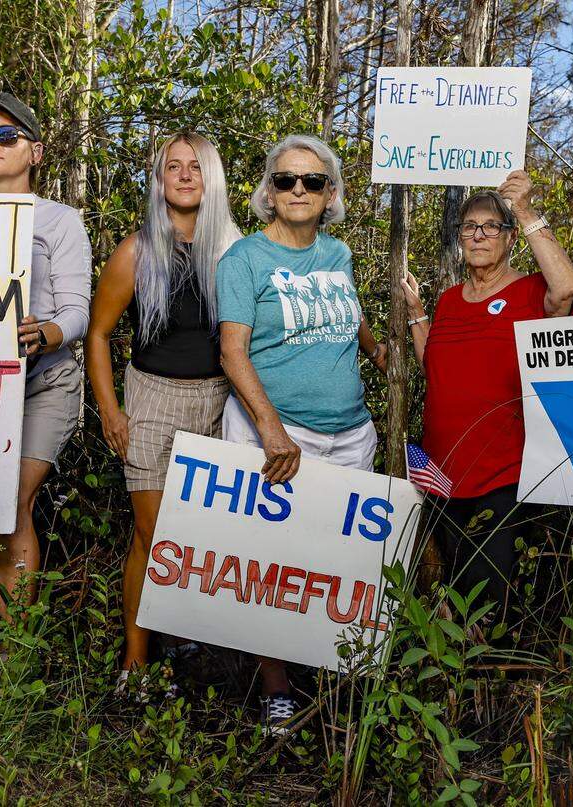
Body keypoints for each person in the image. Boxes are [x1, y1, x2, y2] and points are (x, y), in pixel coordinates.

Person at [217, 134, 387, 735]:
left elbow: (348, 312)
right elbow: (232, 350)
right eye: (286, 180)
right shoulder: (244, 260)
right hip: (279, 435)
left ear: (330, 194)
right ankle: (277, 689)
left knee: (340, 561)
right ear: (269, 190)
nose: (297, 190)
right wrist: (270, 429)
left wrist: (379, 350)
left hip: (351, 432)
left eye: (311, 182)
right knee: (273, 564)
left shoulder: (338, 255)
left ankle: (335, 676)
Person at [86, 133, 241, 691]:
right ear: (158, 179)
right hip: (152, 399)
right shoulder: (136, 251)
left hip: (221, 405)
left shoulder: (234, 251)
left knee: (201, 536)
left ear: (212, 178)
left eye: (194, 166)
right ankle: (136, 662)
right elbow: (99, 335)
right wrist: (111, 411)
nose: (183, 175)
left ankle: (186, 645)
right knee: (151, 535)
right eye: (171, 167)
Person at [400, 172, 573, 626]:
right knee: (450, 593)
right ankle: (456, 692)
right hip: (441, 472)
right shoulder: (449, 301)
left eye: (490, 226)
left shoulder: (529, 291)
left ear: (509, 237)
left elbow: (567, 289)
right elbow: (435, 366)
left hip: (502, 473)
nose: (478, 235)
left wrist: (524, 208)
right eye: (468, 227)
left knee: (490, 604)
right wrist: (418, 313)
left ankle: (491, 688)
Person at [0, 92, 92, 622]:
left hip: (45, 384)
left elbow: (78, 312)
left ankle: (14, 658)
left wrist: (48, 333)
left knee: (9, 502)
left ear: (35, 153)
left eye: (5, 134)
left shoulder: (60, 221)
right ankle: (11, 650)